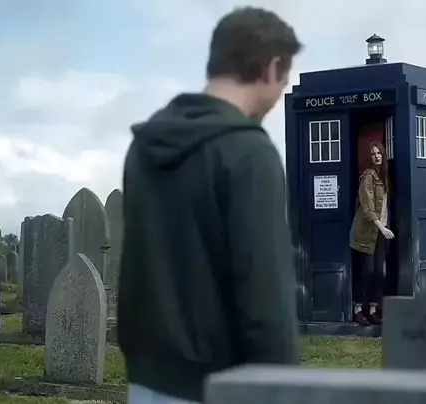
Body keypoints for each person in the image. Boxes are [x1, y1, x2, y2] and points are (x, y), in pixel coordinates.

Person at [118, 7, 303, 404]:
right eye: (284, 80)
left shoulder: (144, 147)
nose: (279, 95)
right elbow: (265, 297)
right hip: (222, 387)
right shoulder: (249, 152)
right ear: (272, 67)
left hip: (146, 382)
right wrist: (283, 387)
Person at [350, 141, 394, 327]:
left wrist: (384, 228)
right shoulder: (367, 177)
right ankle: (358, 308)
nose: (377, 156)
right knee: (367, 271)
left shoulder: (384, 177)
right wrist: (382, 228)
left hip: (381, 232)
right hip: (367, 232)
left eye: (379, 153)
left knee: (379, 273)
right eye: (374, 154)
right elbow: (368, 208)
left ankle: (374, 309)